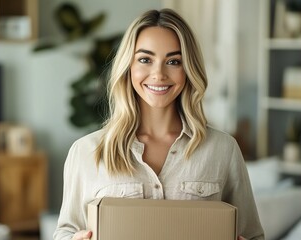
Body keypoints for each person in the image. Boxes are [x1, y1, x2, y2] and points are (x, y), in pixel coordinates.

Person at [53, 8, 264, 240]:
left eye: (173, 61)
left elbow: (252, 235)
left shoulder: (223, 149)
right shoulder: (86, 151)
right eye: (145, 59)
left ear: (188, 69)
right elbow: (65, 231)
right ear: (128, 67)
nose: (158, 74)